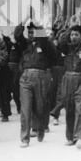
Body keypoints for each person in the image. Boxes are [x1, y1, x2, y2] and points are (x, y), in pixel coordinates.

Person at [15, 20, 56, 148]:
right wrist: (22, 21)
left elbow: (45, 41)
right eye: (30, 32)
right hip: (26, 77)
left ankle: (41, 128)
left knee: (40, 107)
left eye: (34, 32)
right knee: (25, 108)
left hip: (41, 77)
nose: (32, 34)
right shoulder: (25, 44)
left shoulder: (44, 44)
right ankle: (24, 138)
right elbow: (17, 36)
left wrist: (39, 26)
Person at [57, 19, 81, 149]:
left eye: (76, 34)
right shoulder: (67, 48)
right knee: (69, 108)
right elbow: (60, 41)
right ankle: (70, 137)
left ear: (80, 36)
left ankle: (79, 137)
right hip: (68, 79)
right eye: (72, 35)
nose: (74, 37)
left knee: (80, 109)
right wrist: (69, 28)